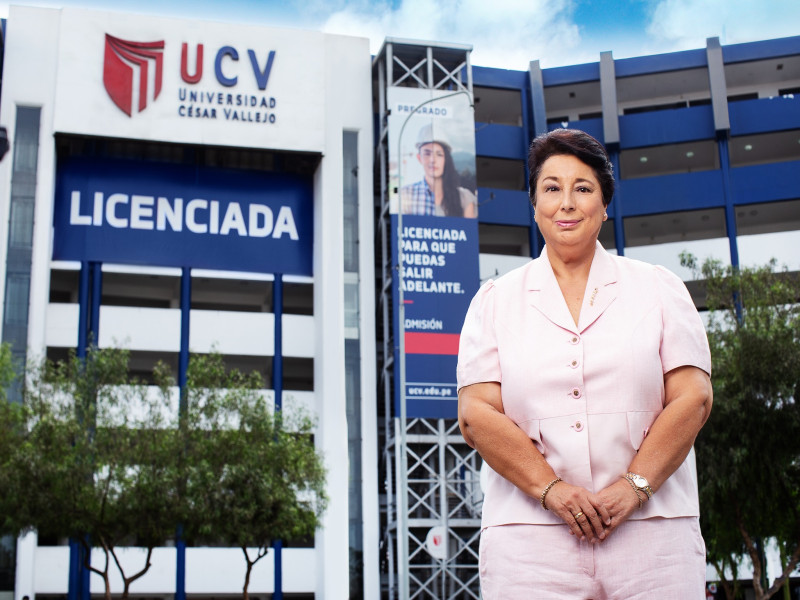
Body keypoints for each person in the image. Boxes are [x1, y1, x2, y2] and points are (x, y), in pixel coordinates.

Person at [457, 128, 713, 599]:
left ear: (605, 203)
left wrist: (633, 487)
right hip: (528, 541)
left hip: (654, 534)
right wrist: (551, 489)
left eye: (583, 187)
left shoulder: (659, 288)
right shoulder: (493, 301)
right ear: (535, 205)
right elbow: (476, 415)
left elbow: (693, 398)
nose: (566, 203)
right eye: (551, 188)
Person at [400, 123, 477, 218]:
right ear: (419, 158)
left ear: (446, 159)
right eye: (427, 154)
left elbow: (468, 230)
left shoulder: (464, 197)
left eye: (439, 154)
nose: (433, 160)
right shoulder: (406, 195)